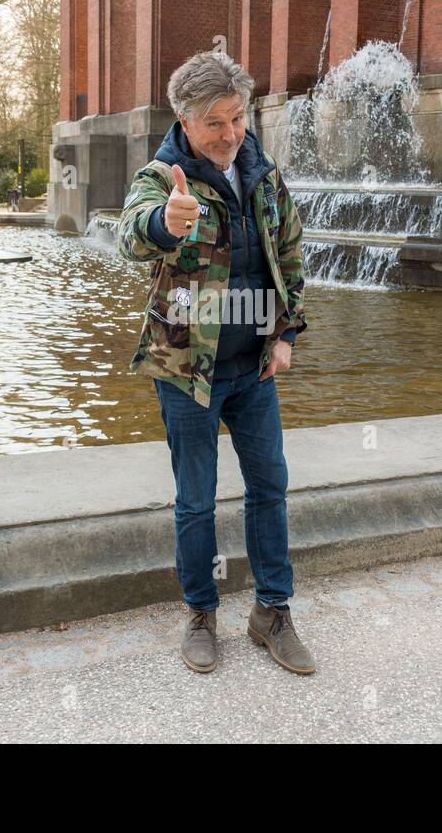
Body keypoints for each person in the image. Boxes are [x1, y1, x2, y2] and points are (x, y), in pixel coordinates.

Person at [116, 50, 312, 676]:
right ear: (184, 119)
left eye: (237, 118)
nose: (230, 134)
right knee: (196, 501)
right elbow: (131, 234)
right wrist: (165, 224)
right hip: (187, 371)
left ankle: (272, 613)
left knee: (270, 487)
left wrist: (287, 336)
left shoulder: (263, 170)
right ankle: (201, 613)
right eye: (215, 123)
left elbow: (291, 253)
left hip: (254, 367)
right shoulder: (161, 176)